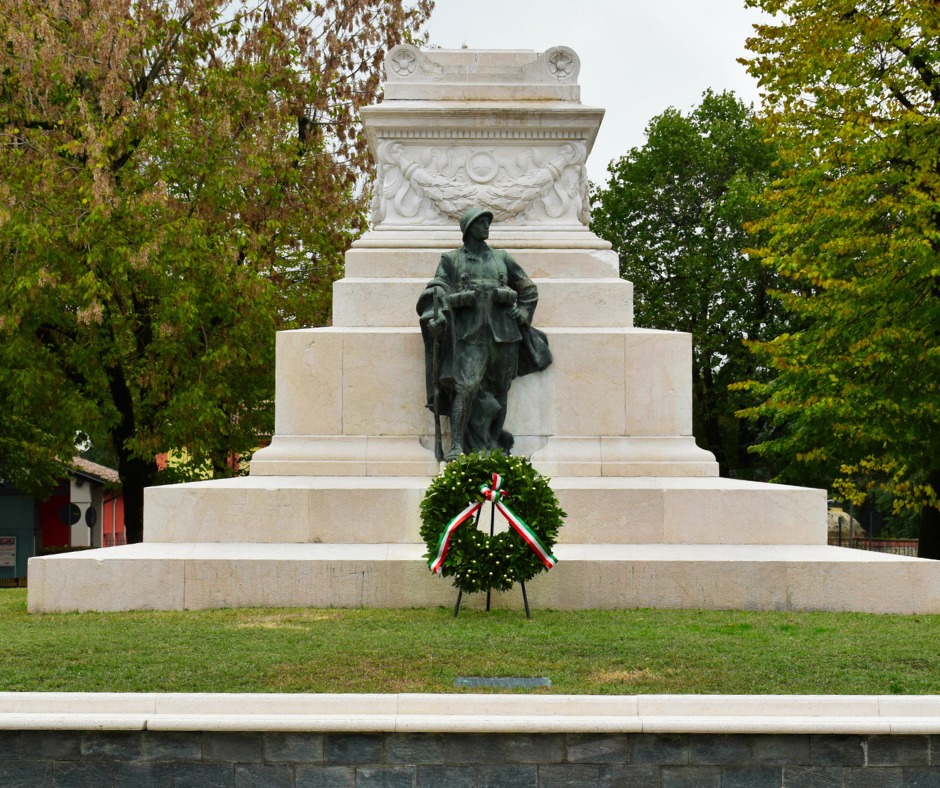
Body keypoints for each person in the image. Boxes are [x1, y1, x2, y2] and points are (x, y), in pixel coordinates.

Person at [417, 207, 552, 461]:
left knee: (502, 390)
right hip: (469, 336)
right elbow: (437, 290)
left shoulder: (502, 258)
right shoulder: (452, 260)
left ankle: (491, 440)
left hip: (504, 335)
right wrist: (437, 315)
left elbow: (528, 289)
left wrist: (523, 313)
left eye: (487, 223)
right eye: (481, 223)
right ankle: (456, 445)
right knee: (465, 388)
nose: (487, 227)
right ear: (468, 229)